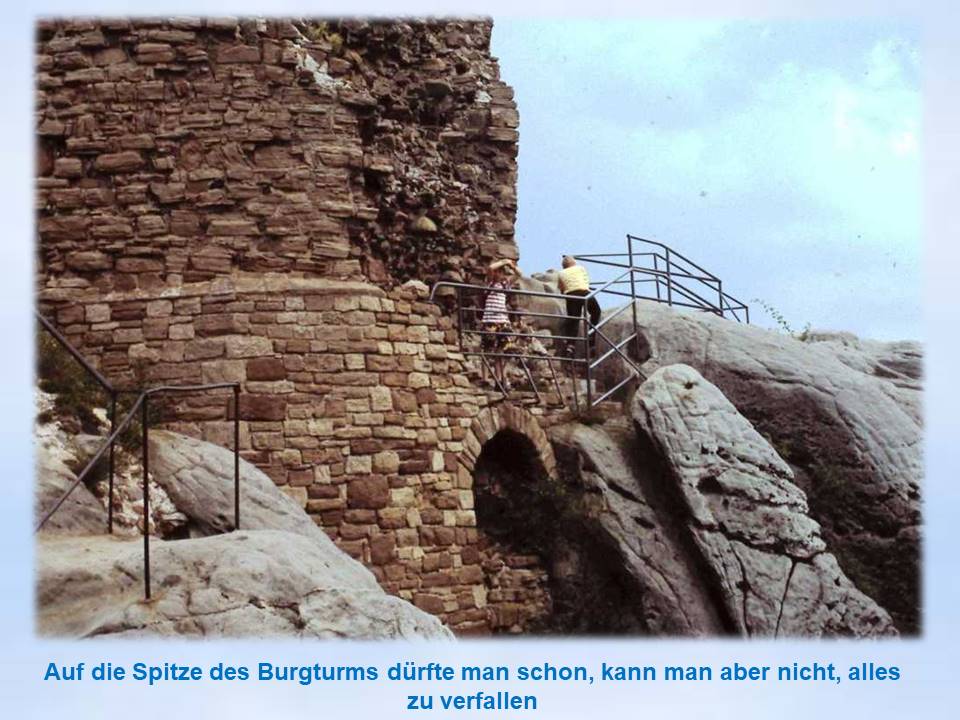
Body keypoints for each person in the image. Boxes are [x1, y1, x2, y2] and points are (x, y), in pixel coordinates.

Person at [480, 258, 517, 390]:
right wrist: (504, 261)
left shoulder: (504, 285)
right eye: (498, 272)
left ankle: (500, 380)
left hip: (502, 321)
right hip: (490, 321)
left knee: (501, 352)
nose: (499, 274)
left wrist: (511, 266)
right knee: (487, 349)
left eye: (501, 272)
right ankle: (484, 379)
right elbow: (490, 268)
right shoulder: (490, 283)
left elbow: (519, 275)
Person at [558, 255, 601, 355]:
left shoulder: (561, 273)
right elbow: (586, 281)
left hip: (571, 295)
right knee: (596, 312)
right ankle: (591, 338)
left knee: (574, 320)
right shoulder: (581, 268)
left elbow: (561, 288)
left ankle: (571, 345)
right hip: (584, 292)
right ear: (574, 262)